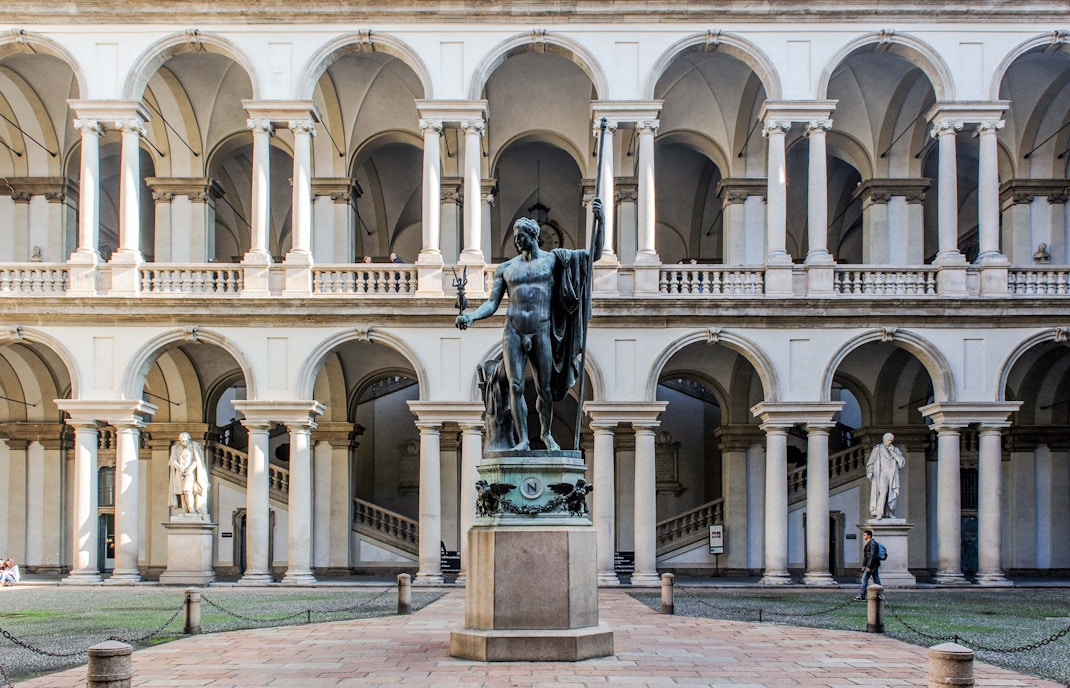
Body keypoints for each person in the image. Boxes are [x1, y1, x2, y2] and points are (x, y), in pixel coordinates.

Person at [457, 200, 604, 451]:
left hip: (541, 328)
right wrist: (471, 316)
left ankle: (546, 434)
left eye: (521, 236)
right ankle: (524, 439)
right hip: (513, 330)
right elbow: (492, 303)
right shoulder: (506, 268)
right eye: (515, 237)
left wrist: (601, 222)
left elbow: (594, 256)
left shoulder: (553, 260)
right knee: (516, 386)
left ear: (534, 236)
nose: (517, 241)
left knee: (544, 389)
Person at [168, 432, 210, 515]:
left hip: (190, 472)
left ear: (189, 439)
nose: (184, 442)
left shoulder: (193, 446)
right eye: (182, 441)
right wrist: (179, 467)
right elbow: (173, 460)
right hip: (179, 472)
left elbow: (196, 460)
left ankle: (192, 510)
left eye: (186, 441)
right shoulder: (176, 448)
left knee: (187, 490)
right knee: (182, 492)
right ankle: (185, 511)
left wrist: (189, 470)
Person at [867, 432, 905, 519]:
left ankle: (889, 512)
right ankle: (879, 512)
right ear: (884, 440)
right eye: (888, 440)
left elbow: (901, 462)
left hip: (892, 474)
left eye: (891, 440)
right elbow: (871, 463)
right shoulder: (877, 449)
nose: (889, 442)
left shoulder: (895, 450)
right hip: (882, 474)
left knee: (891, 494)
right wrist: (870, 471)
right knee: (883, 493)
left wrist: (893, 453)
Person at [854, 529, 881, 600]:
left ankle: (862, 595)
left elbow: (872, 556)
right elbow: (866, 556)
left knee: (864, 579)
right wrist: (864, 565)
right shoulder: (869, 544)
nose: (863, 536)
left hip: (872, 565)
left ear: (869, 536)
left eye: (864, 535)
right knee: (876, 579)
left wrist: (869, 566)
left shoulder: (872, 544)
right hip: (873, 564)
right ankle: (879, 594)